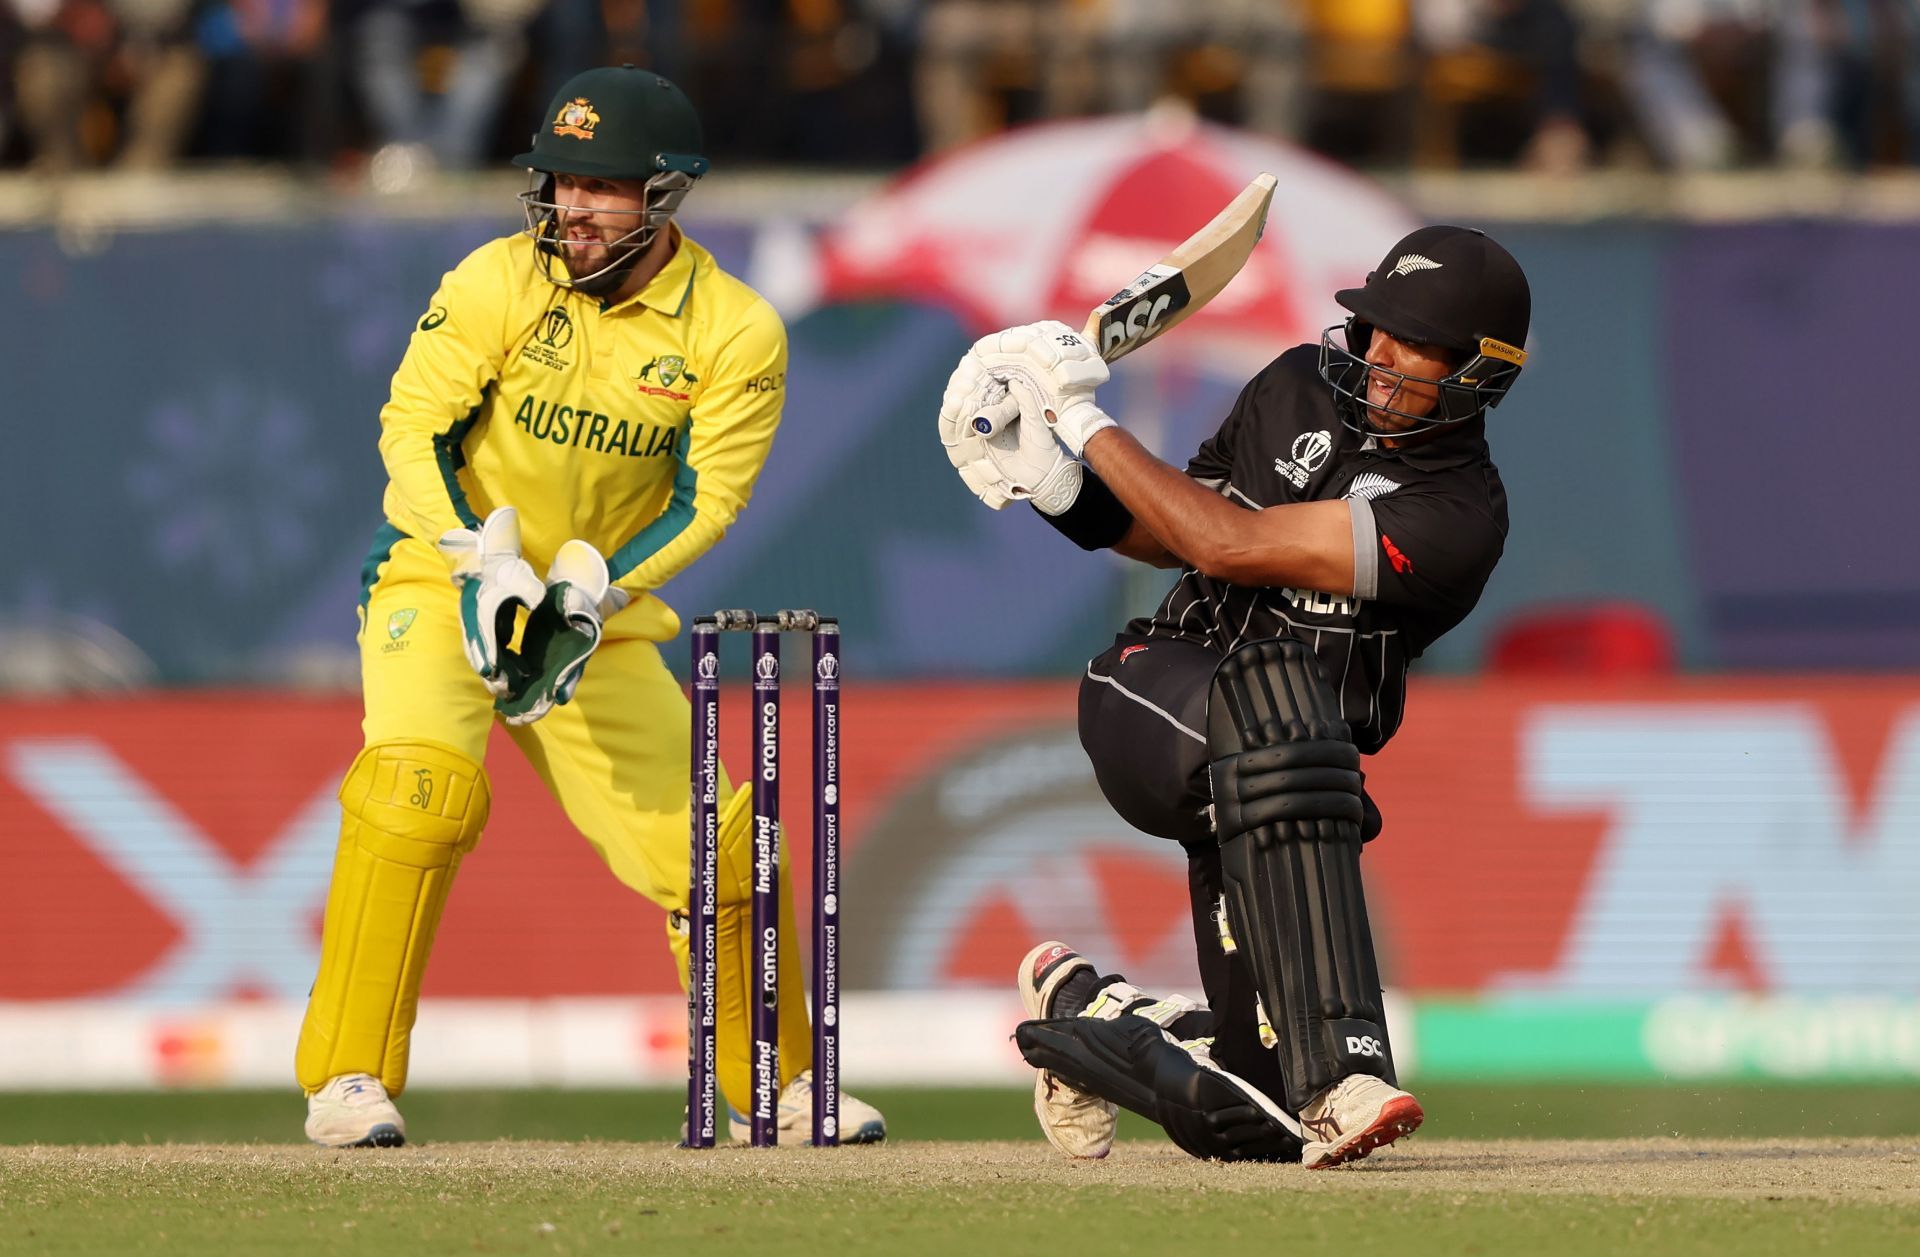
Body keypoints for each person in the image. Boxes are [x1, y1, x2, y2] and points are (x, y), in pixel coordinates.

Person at [297, 63, 885, 1148]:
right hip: (444, 580)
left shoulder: (735, 329)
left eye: (603, 186)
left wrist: (593, 593)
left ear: (665, 196)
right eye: (561, 180)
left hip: (591, 618)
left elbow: (711, 503)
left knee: (727, 843)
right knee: (416, 790)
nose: (572, 206)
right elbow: (410, 430)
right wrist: (480, 561)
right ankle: (347, 1081)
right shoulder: (494, 280)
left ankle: (780, 1085)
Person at [937, 224, 1530, 1168]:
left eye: (1407, 341)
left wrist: (1084, 421)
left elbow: (1228, 544)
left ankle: (1085, 1015)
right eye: (1370, 328)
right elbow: (1175, 530)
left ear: (1479, 371)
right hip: (1154, 689)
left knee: (1250, 1115)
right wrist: (1058, 486)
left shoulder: (1457, 518)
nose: (1375, 354)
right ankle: (1345, 1073)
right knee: (1286, 716)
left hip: (1278, 802)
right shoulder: (1295, 383)